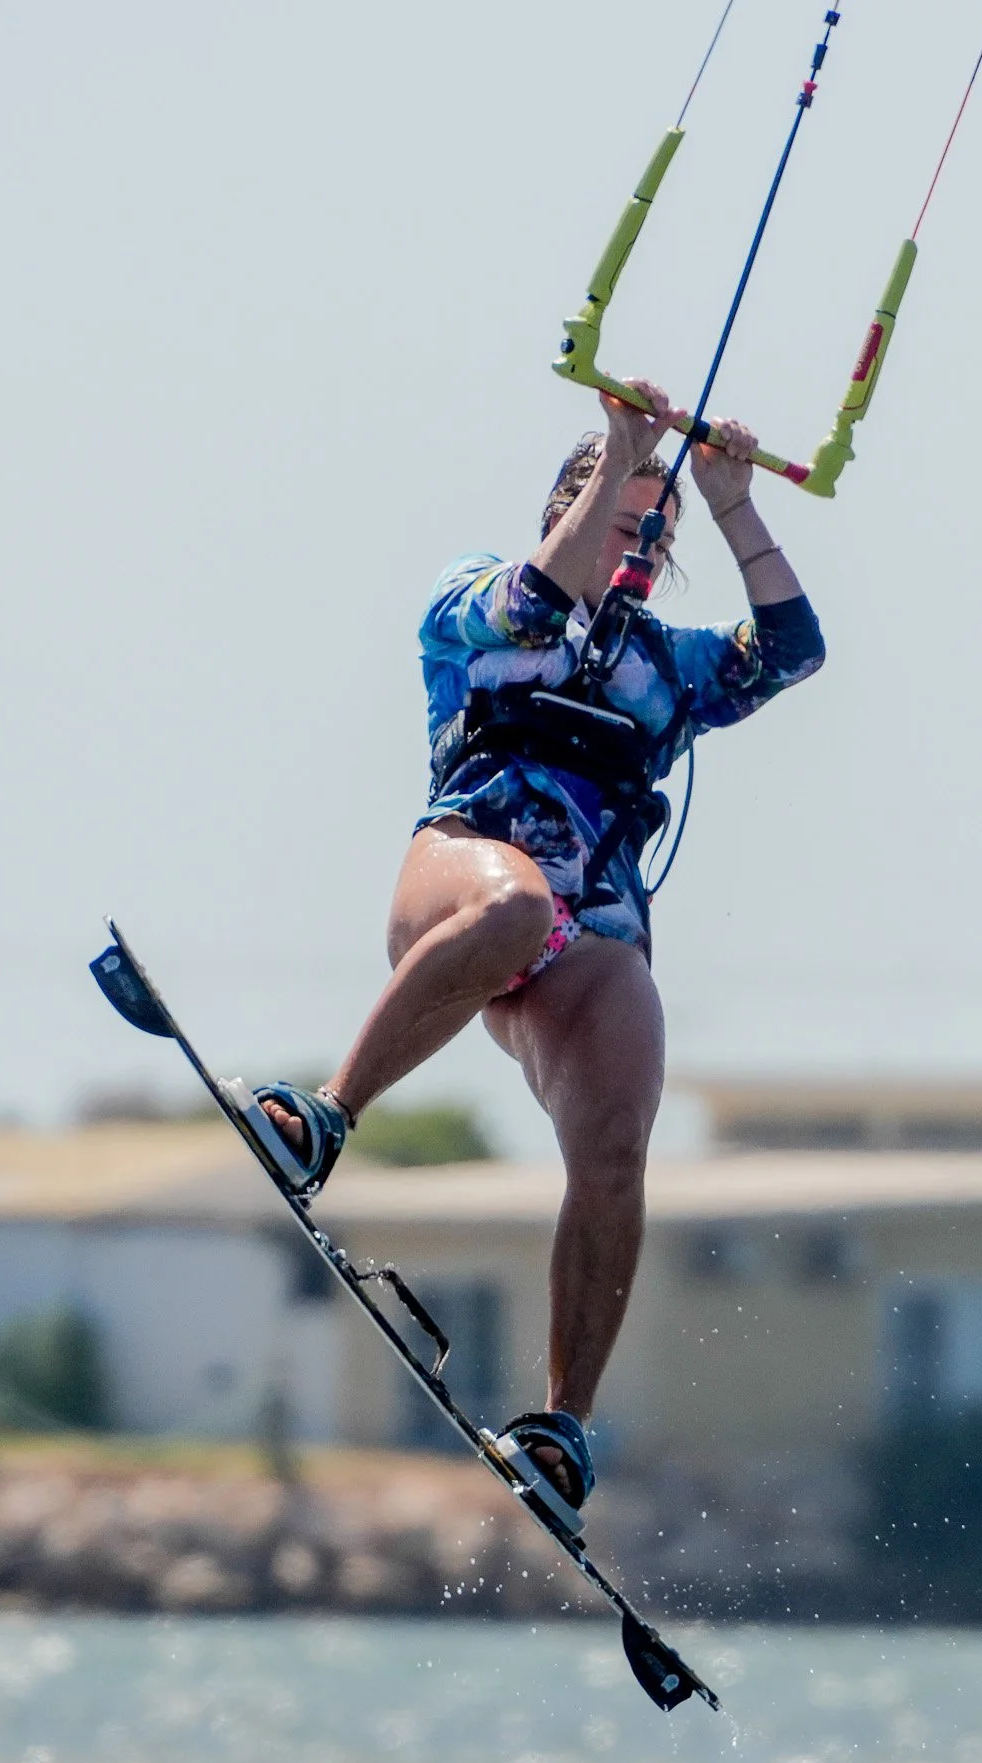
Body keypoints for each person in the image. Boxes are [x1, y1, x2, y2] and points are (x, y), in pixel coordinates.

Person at [226, 382, 824, 1534]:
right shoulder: (472, 598)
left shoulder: (672, 666)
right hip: (465, 876)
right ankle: (324, 1120)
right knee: (514, 907)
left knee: (617, 1126)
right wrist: (622, 457)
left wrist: (730, 504)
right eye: (623, 519)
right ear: (571, 504)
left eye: (661, 533)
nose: (644, 543)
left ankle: (559, 1426)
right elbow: (531, 603)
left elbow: (790, 650)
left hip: (584, 933)